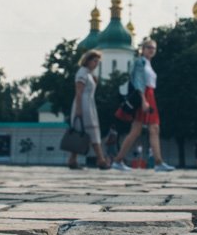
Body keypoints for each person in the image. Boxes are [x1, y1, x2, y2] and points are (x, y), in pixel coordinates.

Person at [112, 39, 174, 172]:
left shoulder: (148, 63)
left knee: (146, 130)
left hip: (150, 95)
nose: (151, 50)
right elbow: (138, 82)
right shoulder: (140, 62)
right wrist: (143, 100)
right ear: (143, 49)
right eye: (149, 47)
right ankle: (157, 163)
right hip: (144, 95)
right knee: (143, 130)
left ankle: (120, 160)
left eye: (154, 48)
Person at [67, 50, 109, 170]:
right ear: (88, 60)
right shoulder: (82, 73)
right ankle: (101, 159)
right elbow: (79, 92)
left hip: (89, 104)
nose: (96, 64)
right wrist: (79, 109)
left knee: (82, 132)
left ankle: (72, 159)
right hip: (84, 104)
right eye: (94, 61)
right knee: (89, 132)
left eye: (98, 62)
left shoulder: (89, 74)